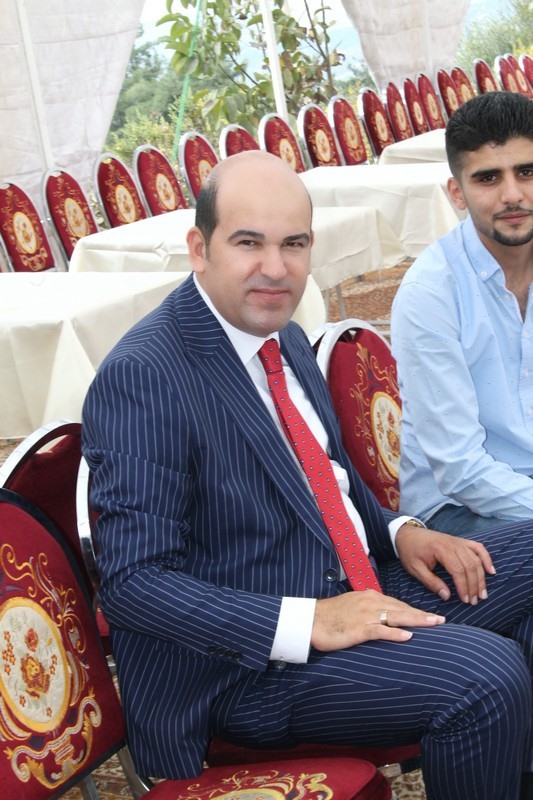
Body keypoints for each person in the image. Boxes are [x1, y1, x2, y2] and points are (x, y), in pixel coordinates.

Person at [82, 150, 533, 800]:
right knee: (485, 674)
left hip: (354, 581)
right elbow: (133, 585)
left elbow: (330, 482)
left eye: (293, 244)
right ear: (199, 249)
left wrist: (402, 531)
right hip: (244, 668)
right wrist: (310, 620)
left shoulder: (284, 334)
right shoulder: (145, 375)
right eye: (248, 243)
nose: (275, 267)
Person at [391, 91, 533, 535]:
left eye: (527, 172)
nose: (513, 195)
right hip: (460, 509)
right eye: (488, 178)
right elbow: (460, 469)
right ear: (457, 192)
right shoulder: (430, 293)